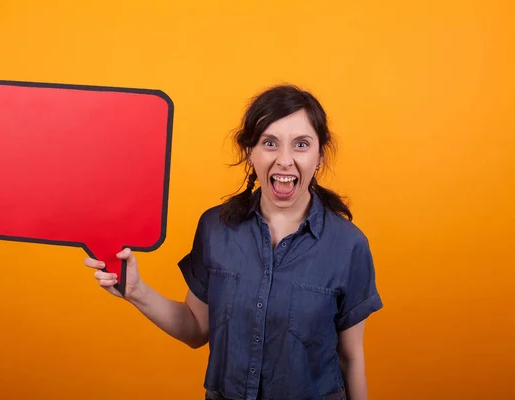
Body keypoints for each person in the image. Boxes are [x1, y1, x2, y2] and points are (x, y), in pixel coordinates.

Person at [84, 85, 383, 400]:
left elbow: (350, 358)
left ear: (320, 155)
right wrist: (135, 291)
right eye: (270, 143)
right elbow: (196, 329)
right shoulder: (216, 228)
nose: (284, 160)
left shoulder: (349, 246)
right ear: (249, 151)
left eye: (301, 145)